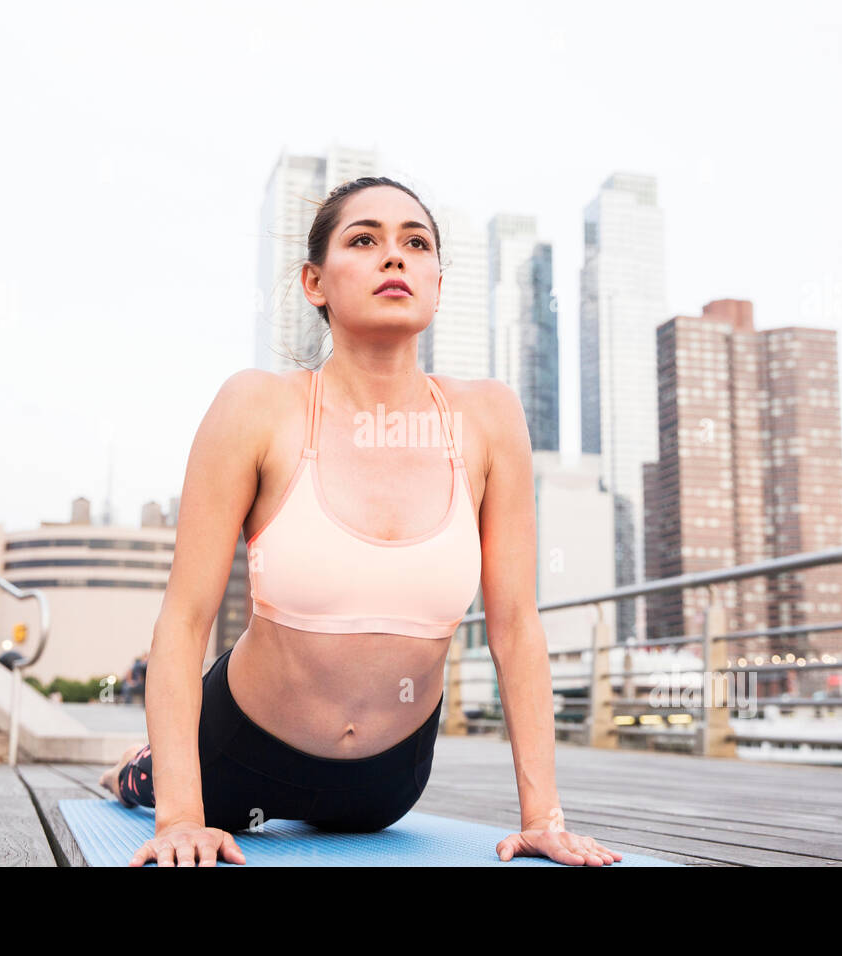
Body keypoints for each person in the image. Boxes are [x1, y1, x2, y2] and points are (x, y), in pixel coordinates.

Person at [98, 177, 622, 868]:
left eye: (416, 243)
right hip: (235, 753)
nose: (395, 256)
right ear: (315, 282)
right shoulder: (258, 407)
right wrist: (178, 817)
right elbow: (185, 619)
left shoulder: (489, 418)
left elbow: (516, 624)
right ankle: (132, 769)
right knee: (138, 785)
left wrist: (544, 819)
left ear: (437, 279)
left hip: (385, 788)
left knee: (360, 814)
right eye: (364, 240)